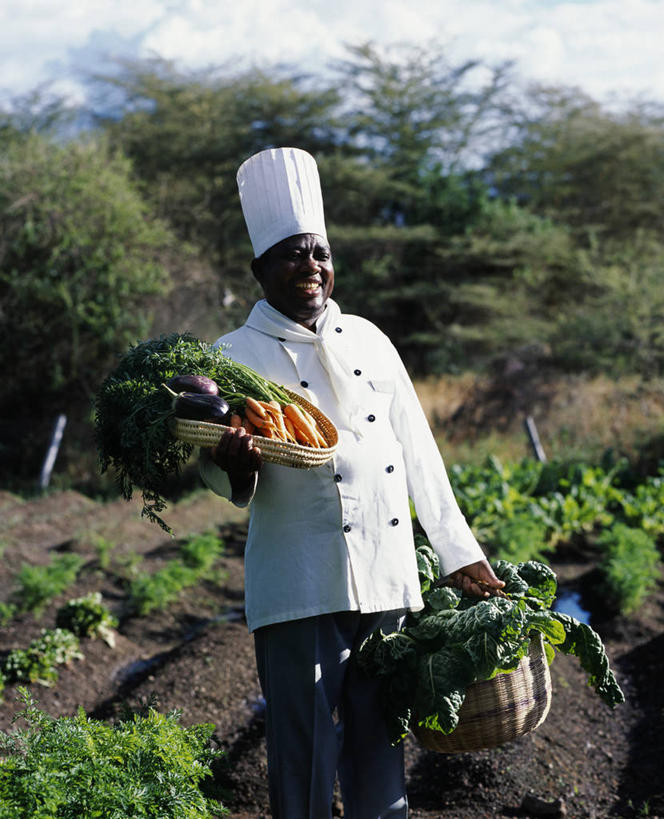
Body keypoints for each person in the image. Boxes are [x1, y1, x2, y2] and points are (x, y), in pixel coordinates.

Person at [199, 147, 504, 819]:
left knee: (379, 742)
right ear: (259, 270)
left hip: (387, 572)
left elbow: (418, 450)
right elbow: (213, 467)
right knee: (301, 753)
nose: (311, 265)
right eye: (292, 254)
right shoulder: (228, 356)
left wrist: (460, 552)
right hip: (300, 581)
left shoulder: (369, 338)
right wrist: (234, 462)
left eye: (321, 253)